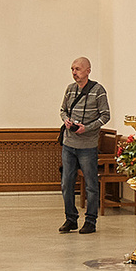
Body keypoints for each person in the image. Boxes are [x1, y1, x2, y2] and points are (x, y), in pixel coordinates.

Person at [58, 56, 109, 234]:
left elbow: (105, 116)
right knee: (66, 183)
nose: (74, 73)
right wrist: (67, 121)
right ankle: (70, 219)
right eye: (72, 69)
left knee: (91, 184)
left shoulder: (98, 90)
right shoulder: (70, 89)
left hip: (87, 145)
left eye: (78, 69)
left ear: (88, 70)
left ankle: (90, 221)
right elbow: (63, 110)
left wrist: (86, 128)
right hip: (69, 144)